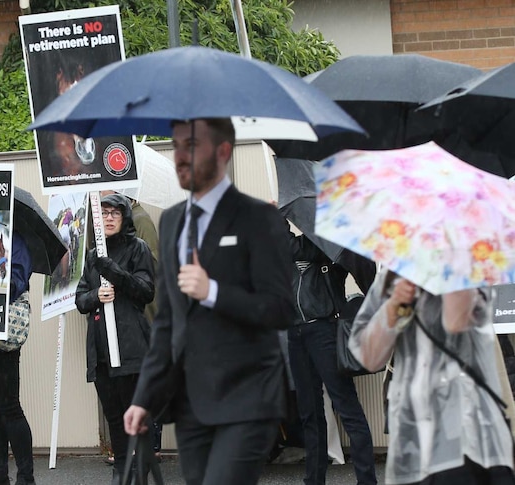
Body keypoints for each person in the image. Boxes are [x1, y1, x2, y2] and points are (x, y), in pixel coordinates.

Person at [124, 118, 295, 485]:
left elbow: (280, 308)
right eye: (177, 146)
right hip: (191, 403)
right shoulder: (171, 222)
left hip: (247, 398)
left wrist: (212, 291)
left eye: (192, 146)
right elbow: (168, 322)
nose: (181, 157)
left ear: (223, 152)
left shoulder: (257, 218)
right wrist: (144, 398)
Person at [349, 272, 515, 485]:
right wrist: (395, 304)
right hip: (416, 432)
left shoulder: (466, 269)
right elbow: (369, 357)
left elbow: (456, 323)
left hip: (472, 429)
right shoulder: (394, 277)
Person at [285, 225, 377, 485]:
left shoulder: (331, 241)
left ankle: (367, 481)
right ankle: (314, 480)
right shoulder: (296, 242)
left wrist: (277, 222)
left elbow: (293, 247)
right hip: (296, 332)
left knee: (347, 407)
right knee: (310, 413)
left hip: (325, 330)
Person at [76, 194, 155, 484]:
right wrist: (95, 295)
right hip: (102, 352)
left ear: (125, 217)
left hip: (132, 349)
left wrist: (113, 271)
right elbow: (80, 299)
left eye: (115, 213)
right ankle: (121, 472)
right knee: (115, 421)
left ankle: (142, 474)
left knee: (137, 421)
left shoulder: (138, 249)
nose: (108, 218)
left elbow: (146, 291)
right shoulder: (92, 253)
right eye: (104, 213)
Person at [0, 229, 35, 485]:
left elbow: (17, 281)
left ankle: (26, 476)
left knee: (9, 407)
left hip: (1, 335)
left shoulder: (16, 241)